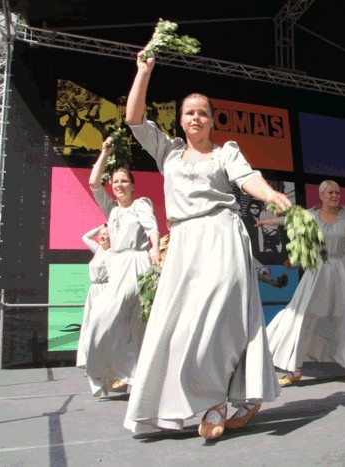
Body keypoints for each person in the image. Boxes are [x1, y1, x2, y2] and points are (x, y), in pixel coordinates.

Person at [123, 50, 292, 441]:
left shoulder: (225, 152)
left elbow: (248, 177)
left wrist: (269, 194)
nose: (195, 117)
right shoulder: (167, 151)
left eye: (202, 112)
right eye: (188, 112)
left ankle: (216, 400)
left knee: (220, 313)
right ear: (180, 120)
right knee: (181, 328)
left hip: (222, 235)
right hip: (184, 242)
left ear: (212, 119)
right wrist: (143, 72)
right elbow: (133, 119)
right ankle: (219, 395)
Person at [259, 180, 345, 387]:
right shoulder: (310, 215)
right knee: (304, 316)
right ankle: (294, 369)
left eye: (337, 192)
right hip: (317, 270)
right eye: (330, 192)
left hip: (340, 270)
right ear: (321, 195)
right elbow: (288, 221)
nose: (335, 196)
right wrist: (267, 222)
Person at [85, 139, 161, 396]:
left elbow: (152, 227)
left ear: (133, 185)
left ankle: (138, 375)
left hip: (137, 263)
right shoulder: (112, 211)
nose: (118, 185)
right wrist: (105, 152)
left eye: (124, 181)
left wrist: (154, 248)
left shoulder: (141, 204)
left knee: (123, 317)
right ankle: (128, 374)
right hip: (118, 265)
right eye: (115, 181)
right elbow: (94, 183)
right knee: (119, 323)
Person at [76, 223, 111, 369]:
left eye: (105, 234)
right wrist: (101, 227)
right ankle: (87, 358)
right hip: (94, 290)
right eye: (100, 235)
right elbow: (85, 237)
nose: (102, 236)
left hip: (106, 289)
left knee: (102, 323)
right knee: (88, 323)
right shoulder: (98, 250)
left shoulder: (113, 252)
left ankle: (104, 360)